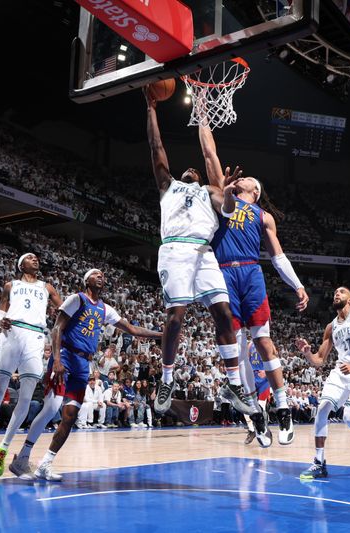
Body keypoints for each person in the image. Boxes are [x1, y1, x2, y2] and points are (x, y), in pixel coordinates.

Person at [143, 87, 257, 419]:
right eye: (188, 171)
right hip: (176, 249)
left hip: (204, 252)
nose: (193, 170)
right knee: (176, 318)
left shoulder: (211, 191)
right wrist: (151, 108)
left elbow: (228, 204)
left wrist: (231, 192)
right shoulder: (168, 186)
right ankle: (166, 380)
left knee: (223, 313)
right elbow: (156, 146)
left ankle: (235, 384)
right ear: (181, 176)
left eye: (196, 171)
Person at [197, 122, 308, 447]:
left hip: (250, 272)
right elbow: (209, 153)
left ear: (255, 190)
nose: (242, 177)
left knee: (263, 342)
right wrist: (203, 118)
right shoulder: (223, 193)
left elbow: (278, 257)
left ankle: (283, 406)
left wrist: (297, 285)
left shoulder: (263, 216)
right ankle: (255, 414)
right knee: (239, 350)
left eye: (247, 179)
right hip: (223, 273)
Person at [8, 268, 161, 482]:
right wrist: (57, 360)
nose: (102, 276)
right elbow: (57, 329)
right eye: (97, 274)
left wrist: (161, 335)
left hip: (83, 364)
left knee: (70, 417)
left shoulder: (105, 309)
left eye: (103, 274)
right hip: (65, 356)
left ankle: (45, 464)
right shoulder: (77, 299)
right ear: (86, 280)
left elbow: (131, 329)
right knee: (51, 407)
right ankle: (21, 459)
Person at [0, 253, 62, 482]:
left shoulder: (47, 287)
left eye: (36, 258)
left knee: (25, 399)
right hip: (11, 333)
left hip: (35, 337)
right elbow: (1, 312)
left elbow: (64, 310)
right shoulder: (10, 285)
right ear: (21, 264)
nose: (35, 260)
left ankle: (2, 449)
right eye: (30, 258)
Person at [295, 286, 350, 479]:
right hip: (342, 372)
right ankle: (319, 462)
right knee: (322, 409)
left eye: (342, 292)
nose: (337, 293)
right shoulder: (331, 327)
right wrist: (308, 353)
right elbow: (319, 361)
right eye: (335, 292)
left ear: (349, 299)